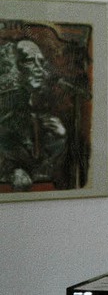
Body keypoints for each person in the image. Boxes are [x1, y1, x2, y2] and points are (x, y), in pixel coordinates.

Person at [0, 40, 67, 191]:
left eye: (41, 62)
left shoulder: (34, 110)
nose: (39, 69)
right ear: (11, 65)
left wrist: (59, 138)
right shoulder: (6, 113)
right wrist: (13, 170)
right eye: (30, 61)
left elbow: (44, 169)